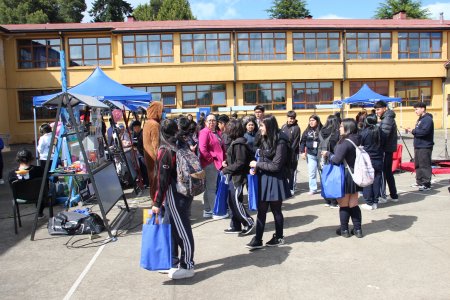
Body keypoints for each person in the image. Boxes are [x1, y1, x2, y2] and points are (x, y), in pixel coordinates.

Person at [151, 119, 195, 280]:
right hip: (184, 191)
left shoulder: (166, 149)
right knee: (170, 226)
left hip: (177, 194)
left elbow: (162, 180)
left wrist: (156, 202)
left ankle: (187, 265)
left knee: (182, 230)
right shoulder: (180, 143)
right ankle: (172, 261)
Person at [247, 115, 291, 249]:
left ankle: (279, 237)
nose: (259, 128)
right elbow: (262, 158)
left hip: (276, 179)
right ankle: (258, 239)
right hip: (263, 178)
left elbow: (276, 166)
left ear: (269, 126)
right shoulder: (263, 138)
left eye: (261, 126)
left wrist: (258, 164)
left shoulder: (281, 142)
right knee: (261, 210)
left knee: (276, 210)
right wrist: (255, 168)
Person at [321, 118, 363, 238]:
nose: (339, 128)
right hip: (355, 174)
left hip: (344, 175)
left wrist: (328, 154)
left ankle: (344, 230)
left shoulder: (344, 142)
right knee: (354, 204)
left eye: (341, 126)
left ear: (347, 128)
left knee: (344, 204)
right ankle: (358, 229)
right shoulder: (357, 139)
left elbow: (336, 160)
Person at [221, 119, 255, 235]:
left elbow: (240, 162)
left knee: (236, 201)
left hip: (238, 178)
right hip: (233, 176)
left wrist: (226, 169)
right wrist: (226, 162)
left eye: (228, 127)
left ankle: (248, 222)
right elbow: (234, 159)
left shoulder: (239, 143)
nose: (226, 129)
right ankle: (235, 225)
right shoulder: (236, 142)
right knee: (230, 201)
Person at [198, 114, 226, 219]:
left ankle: (207, 210)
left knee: (209, 187)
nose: (212, 122)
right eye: (209, 120)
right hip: (210, 164)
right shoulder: (204, 132)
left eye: (213, 120)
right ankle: (216, 211)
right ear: (205, 122)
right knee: (211, 188)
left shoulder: (217, 132)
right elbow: (202, 149)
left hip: (217, 163)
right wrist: (211, 160)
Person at [8, 149, 45, 218]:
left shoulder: (11, 174)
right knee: (42, 188)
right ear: (31, 159)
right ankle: (40, 213)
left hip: (20, 197)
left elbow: (12, 188)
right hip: (39, 196)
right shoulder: (39, 170)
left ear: (18, 160)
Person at [374, 101, 399, 203]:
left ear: (385, 108)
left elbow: (383, 135)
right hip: (387, 148)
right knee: (388, 172)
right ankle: (394, 195)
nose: (377, 112)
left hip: (385, 149)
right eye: (376, 110)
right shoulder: (387, 118)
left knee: (383, 172)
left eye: (378, 109)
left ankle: (382, 196)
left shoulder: (387, 118)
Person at [407, 102, 434, 191]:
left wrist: (413, 131)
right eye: (415, 109)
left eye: (417, 109)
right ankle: (419, 181)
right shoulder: (420, 119)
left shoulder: (427, 119)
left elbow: (424, 132)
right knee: (418, 164)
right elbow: (419, 130)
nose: (415, 111)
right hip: (418, 145)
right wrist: (412, 130)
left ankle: (426, 184)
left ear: (423, 109)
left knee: (424, 165)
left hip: (425, 146)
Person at [360, 114, 383, 210]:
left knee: (368, 180)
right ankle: (375, 201)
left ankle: (369, 202)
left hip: (368, 159)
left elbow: (360, 144)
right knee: (377, 180)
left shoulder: (365, 132)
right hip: (379, 158)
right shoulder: (380, 131)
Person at [317, 114, 340, 208]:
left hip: (321, 158)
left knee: (324, 179)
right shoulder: (336, 133)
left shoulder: (321, 131)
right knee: (333, 180)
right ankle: (334, 202)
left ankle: (327, 200)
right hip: (331, 157)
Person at [143, 101, 164, 200]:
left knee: (152, 181)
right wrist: (161, 159)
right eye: (161, 110)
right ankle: (157, 205)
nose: (162, 113)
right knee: (157, 182)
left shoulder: (147, 123)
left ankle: (154, 202)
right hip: (155, 158)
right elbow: (156, 145)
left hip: (148, 157)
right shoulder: (155, 125)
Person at [299, 115, 322, 195]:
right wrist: (302, 152)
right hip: (310, 154)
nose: (311, 122)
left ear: (317, 121)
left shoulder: (322, 130)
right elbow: (302, 142)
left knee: (322, 172)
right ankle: (313, 188)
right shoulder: (307, 131)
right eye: (310, 120)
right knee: (312, 172)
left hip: (320, 154)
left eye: (313, 120)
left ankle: (325, 187)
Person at [281, 110, 301, 195]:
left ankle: (291, 187)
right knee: (284, 170)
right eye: (290, 118)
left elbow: (296, 142)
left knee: (292, 170)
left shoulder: (296, 128)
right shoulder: (283, 126)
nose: (291, 120)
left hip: (293, 153)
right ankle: (285, 187)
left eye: (293, 118)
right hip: (284, 152)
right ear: (287, 117)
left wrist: (290, 152)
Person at [131, 120, 149, 187]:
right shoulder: (136, 134)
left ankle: (147, 183)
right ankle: (146, 182)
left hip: (143, 154)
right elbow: (135, 143)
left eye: (135, 128)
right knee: (142, 169)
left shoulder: (142, 133)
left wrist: (136, 146)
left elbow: (142, 144)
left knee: (144, 169)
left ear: (138, 127)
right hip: (140, 154)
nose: (134, 129)